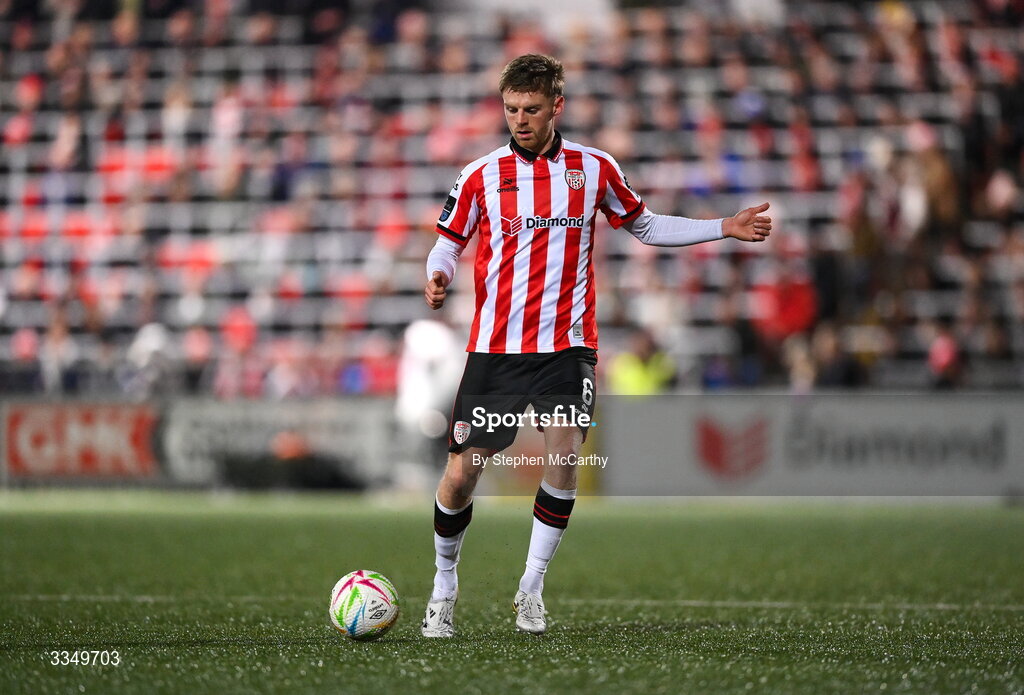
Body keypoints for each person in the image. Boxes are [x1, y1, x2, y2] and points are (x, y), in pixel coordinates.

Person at [420, 54, 772, 637]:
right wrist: (438, 275)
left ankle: (530, 588)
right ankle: (444, 584)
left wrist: (722, 226)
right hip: (497, 349)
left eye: (531, 110)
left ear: (557, 106)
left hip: (568, 346)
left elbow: (647, 225)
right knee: (462, 476)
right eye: (511, 110)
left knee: (563, 456)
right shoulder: (480, 175)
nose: (520, 121)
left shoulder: (595, 168)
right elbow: (447, 243)